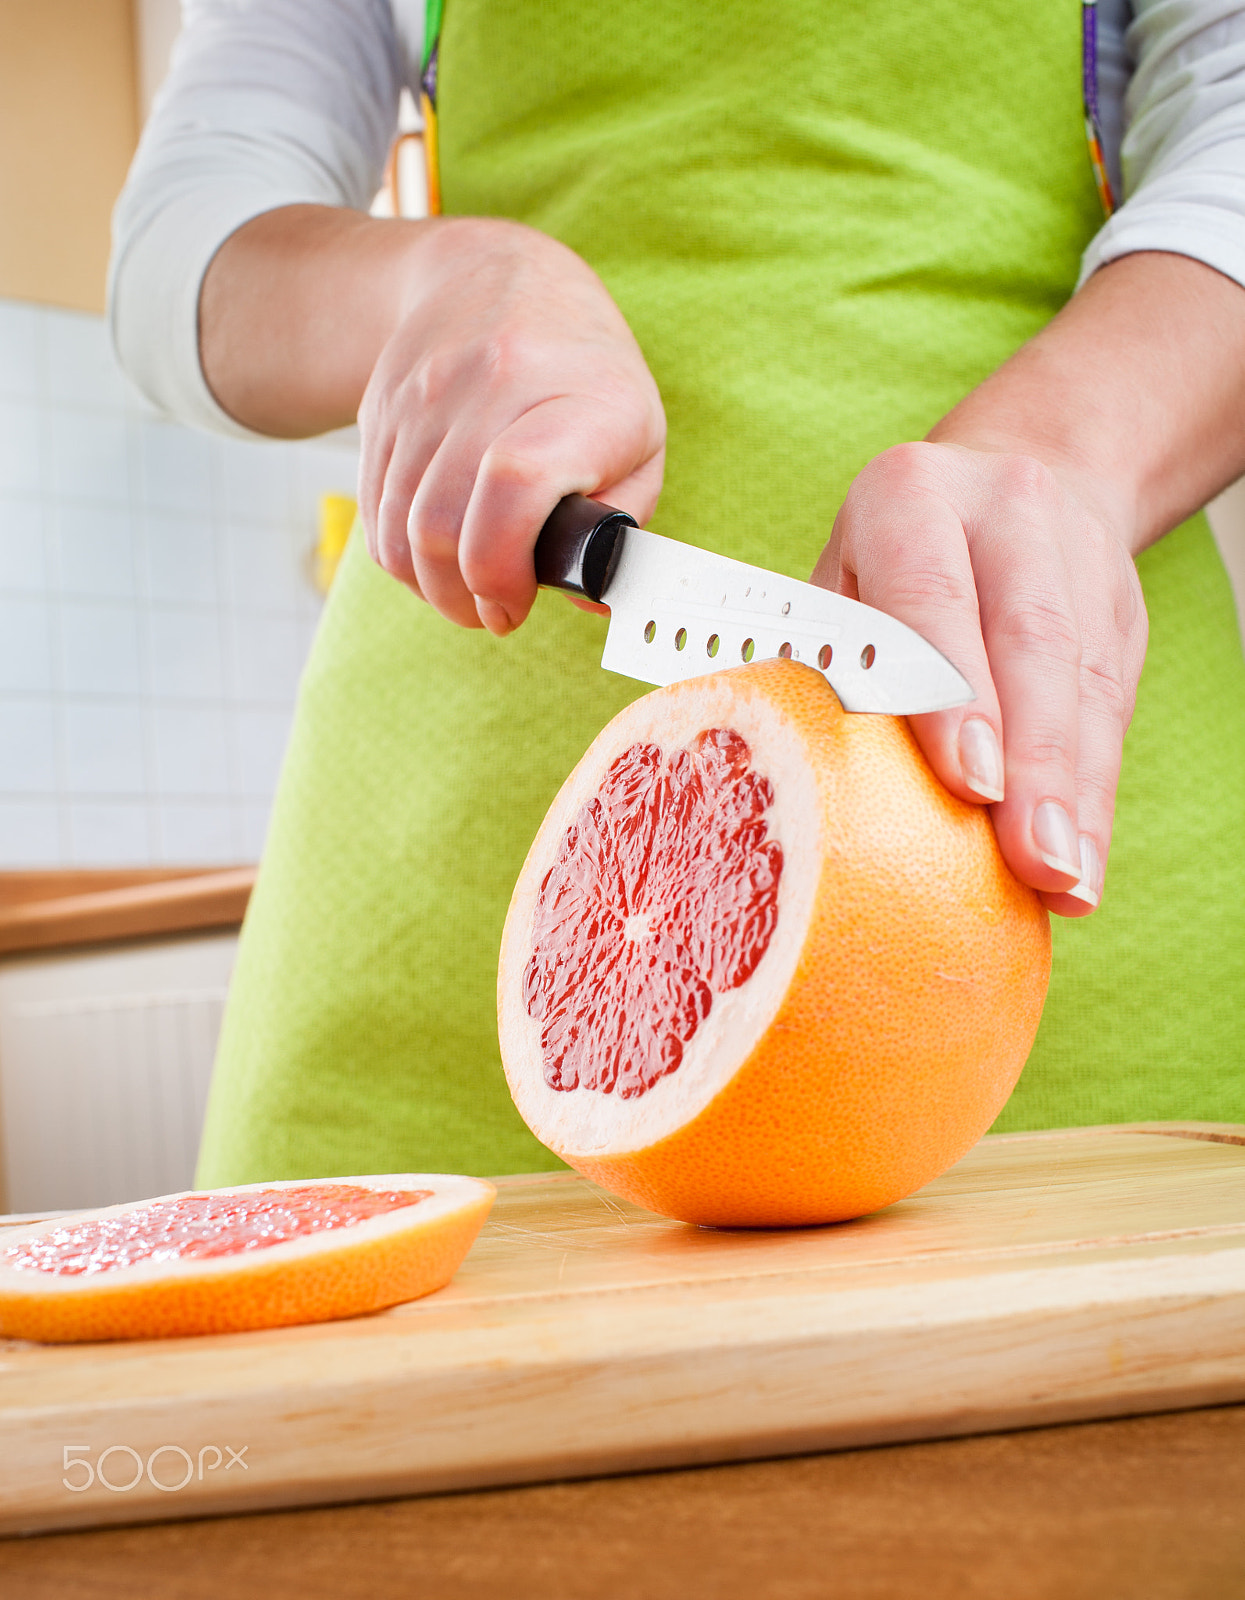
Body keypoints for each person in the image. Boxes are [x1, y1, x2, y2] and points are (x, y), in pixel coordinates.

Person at [111, 0, 1245, 1185]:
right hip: (442, 858)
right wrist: (431, 282)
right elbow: (184, 239)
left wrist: (1069, 449)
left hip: (1053, 818)